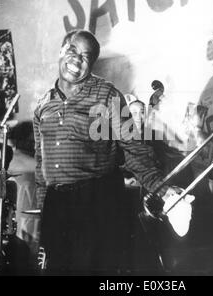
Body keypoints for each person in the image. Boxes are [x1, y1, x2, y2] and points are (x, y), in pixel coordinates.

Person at [33, 30, 185, 273]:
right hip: (56, 206)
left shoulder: (106, 95)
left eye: (86, 56)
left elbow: (133, 148)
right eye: (73, 50)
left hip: (94, 201)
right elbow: (41, 164)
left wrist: (163, 190)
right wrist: (45, 207)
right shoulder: (43, 105)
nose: (77, 60)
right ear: (61, 50)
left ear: (92, 63)